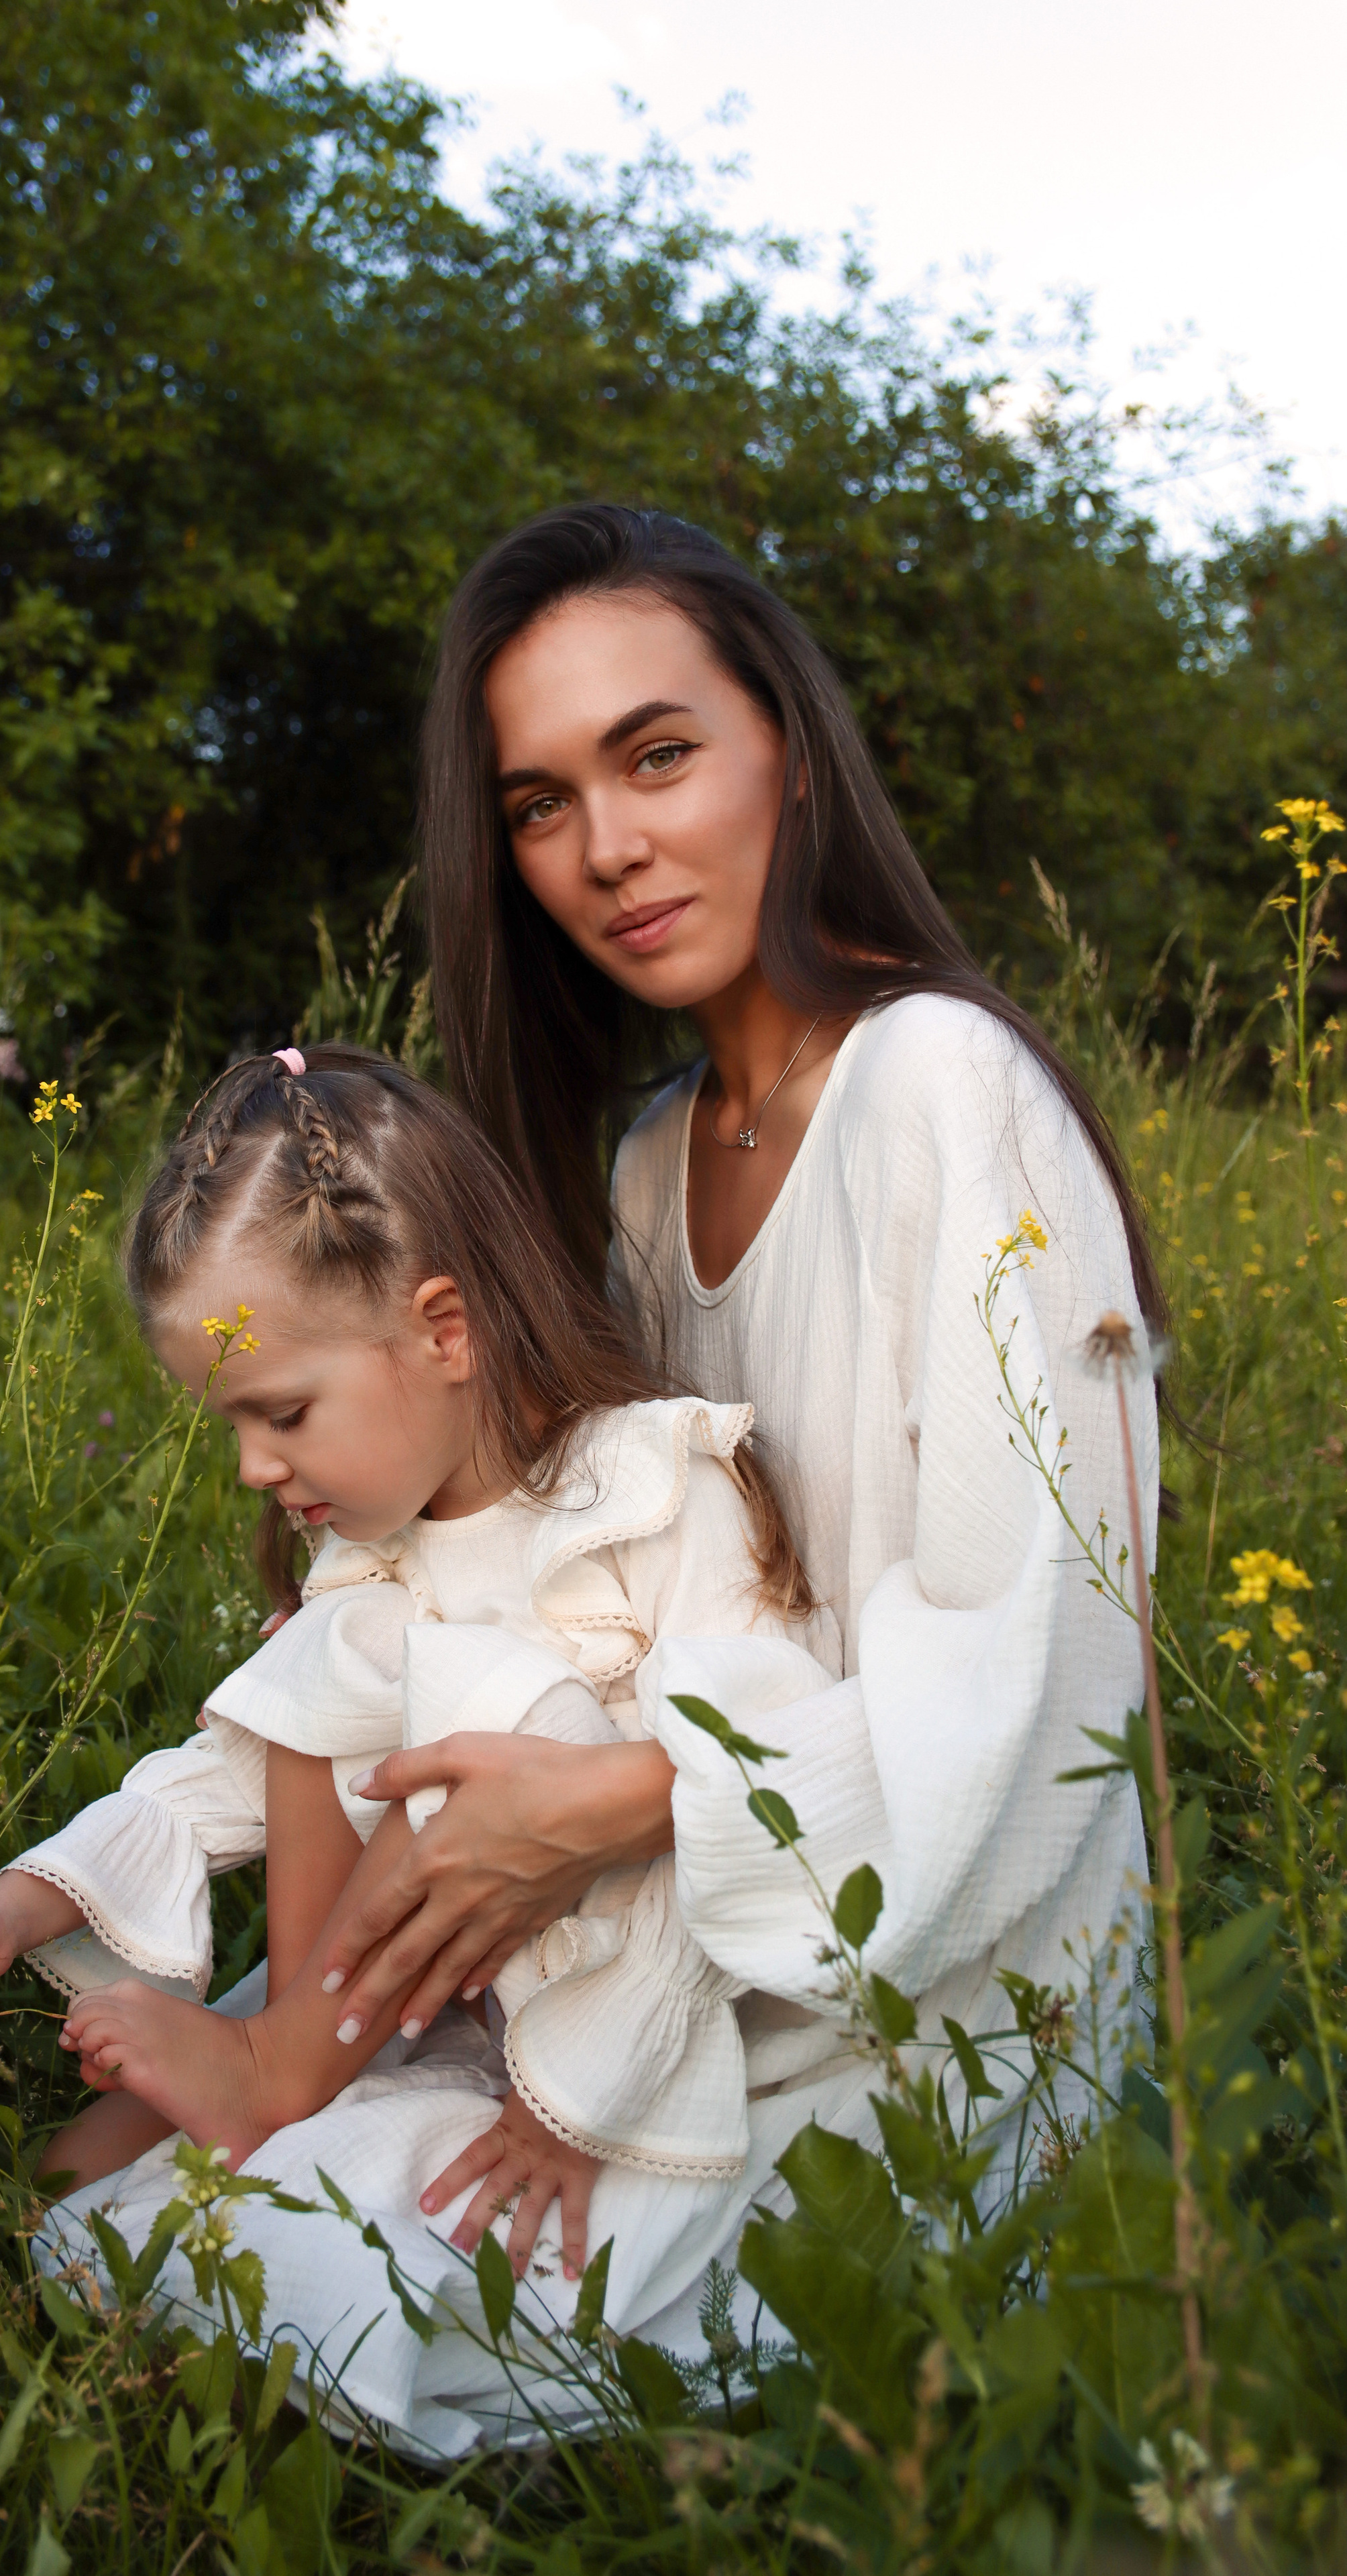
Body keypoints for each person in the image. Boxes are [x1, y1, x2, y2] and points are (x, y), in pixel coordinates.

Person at [296, 504, 1156, 2349]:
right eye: (539, 804)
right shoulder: (640, 1170)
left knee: (338, 2268)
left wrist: (627, 1802)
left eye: (659, 754)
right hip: (697, 1926)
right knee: (217, 2151)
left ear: (787, 742)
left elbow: (1043, 1661)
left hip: (957, 1980)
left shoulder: (944, 1084)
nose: (608, 849)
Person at [0, 1042, 841, 2419]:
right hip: (405, 1986)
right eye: (234, 1426)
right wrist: (19, 1906)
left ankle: (283, 2068)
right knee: (63, 2193)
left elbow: (734, 1799)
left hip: (602, 2024)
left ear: (444, 1331)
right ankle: (269, 2070)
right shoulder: (376, 1549)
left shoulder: (653, 1497)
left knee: (492, 1699)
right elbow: (239, 1770)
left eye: (283, 1414)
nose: (255, 1468)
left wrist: (576, 2113)